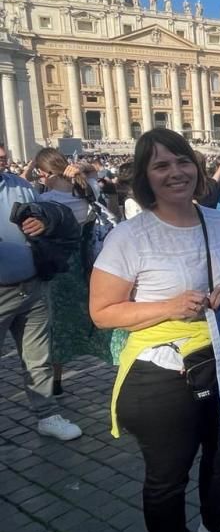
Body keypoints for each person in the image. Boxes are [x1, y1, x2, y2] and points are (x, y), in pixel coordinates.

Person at [89, 129, 220, 532]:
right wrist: (168, 307)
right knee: (168, 477)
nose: (175, 172)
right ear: (146, 177)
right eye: (161, 165)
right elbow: (101, 312)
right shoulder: (128, 236)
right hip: (161, 372)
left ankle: (217, 523)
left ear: (196, 167)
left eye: (182, 161)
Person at [0, 143, 83, 441]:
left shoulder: (20, 185)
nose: (2, 160)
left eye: (4, 156)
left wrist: (44, 220)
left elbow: (50, 210)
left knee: (38, 357)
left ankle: (47, 414)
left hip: (31, 286)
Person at [33, 148, 115, 394]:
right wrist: (79, 170)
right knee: (94, 316)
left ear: (44, 173)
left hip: (60, 270)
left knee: (57, 325)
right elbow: (94, 171)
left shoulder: (45, 201)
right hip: (88, 264)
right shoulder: (87, 192)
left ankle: (55, 382)